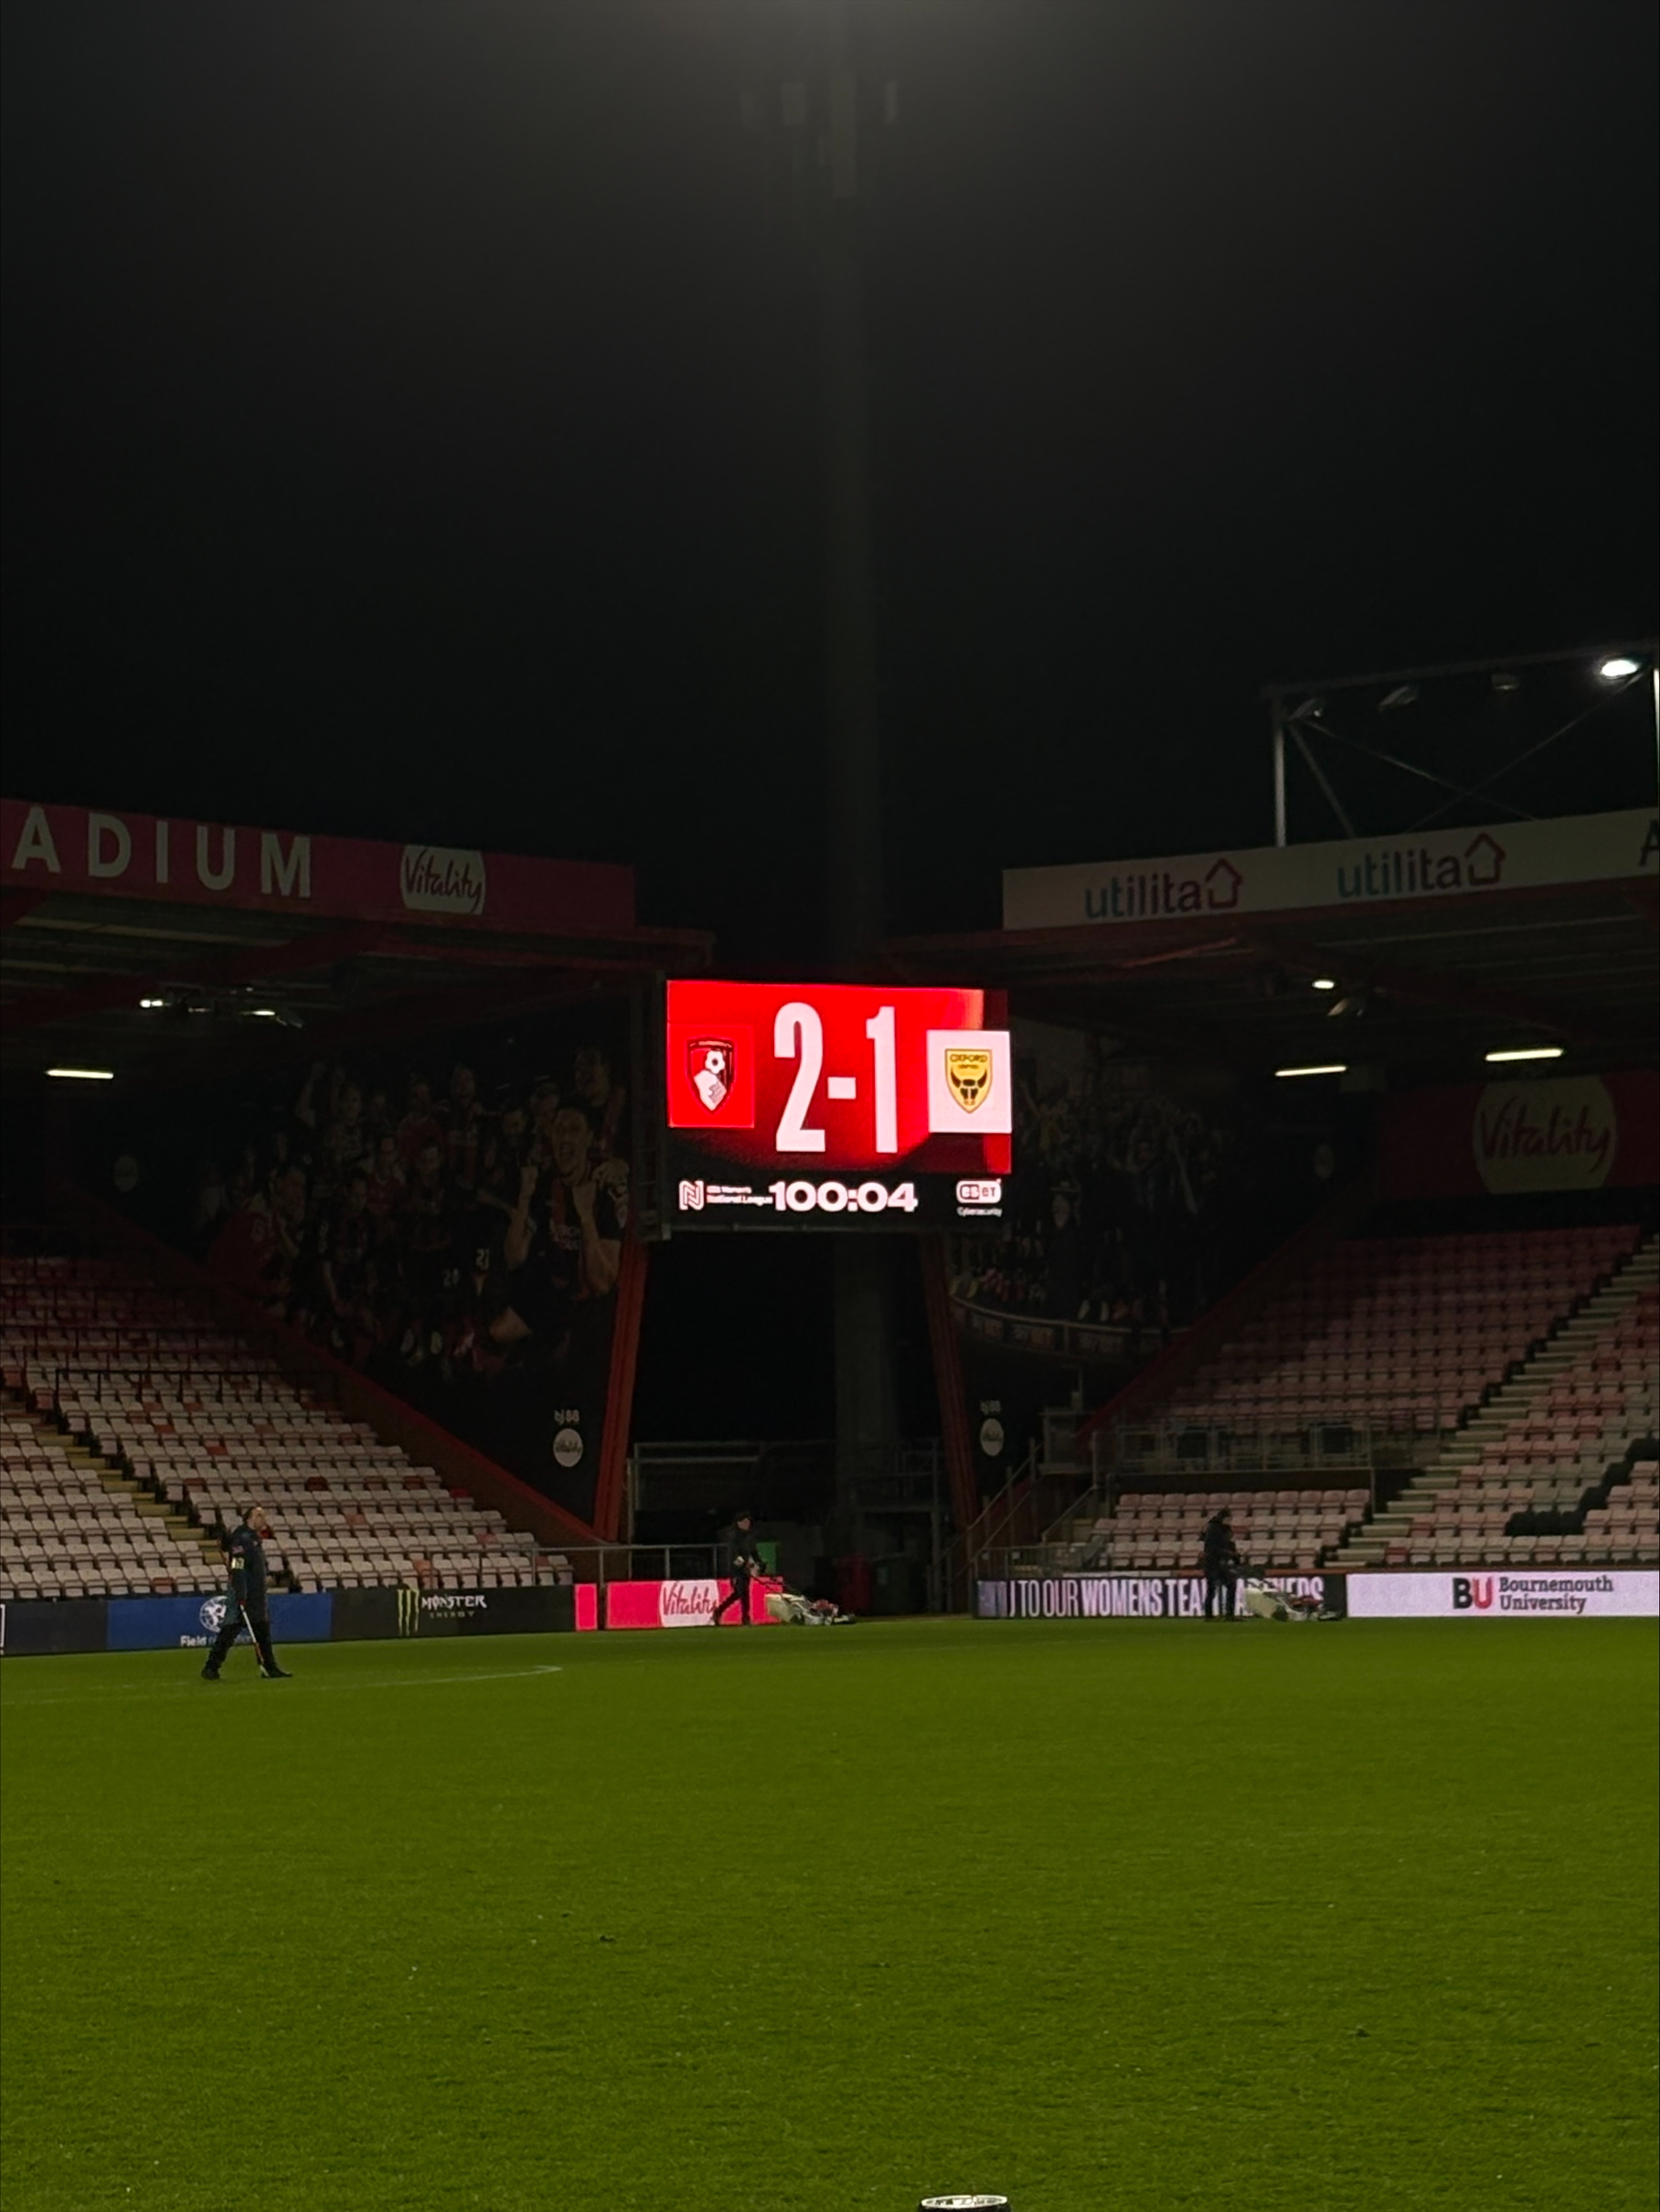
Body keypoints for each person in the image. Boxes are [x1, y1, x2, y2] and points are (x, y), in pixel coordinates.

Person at [200, 1505, 292, 1679]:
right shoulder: (241, 1538)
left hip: (256, 1592)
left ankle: (269, 1666)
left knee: (261, 1629)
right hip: (245, 1592)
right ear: (250, 1519)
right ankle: (211, 1667)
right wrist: (241, 1594)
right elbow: (237, 1567)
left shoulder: (254, 1538)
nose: (263, 1519)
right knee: (231, 1629)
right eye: (259, 1516)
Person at [711, 1511, 763, 1626]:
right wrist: (742, 1564)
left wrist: (759, 1562)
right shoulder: (734, 1537)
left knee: (744, 1593)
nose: (747, 1524)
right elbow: (734, 1555)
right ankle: (722, 1612)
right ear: (739, 1523)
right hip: (736, 1570)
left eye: (748, 1522)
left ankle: (744, 1617)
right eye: (744, 1522)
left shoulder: (749, 1536)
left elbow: (753, 1551)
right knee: (740, 1592)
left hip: (745, 1569)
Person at [1201, 1506, 1241, 1620]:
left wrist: (1234, 1555)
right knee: (1216, 1587)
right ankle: (1224, 1614)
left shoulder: (1222, 1529)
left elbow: (1229, 1545)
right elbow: (1213, 1548)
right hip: (1213, 1563)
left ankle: (1218, 1614)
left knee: (1218, 1587)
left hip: (1218, 1562)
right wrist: (1230, 1554)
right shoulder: (1214, 1530)